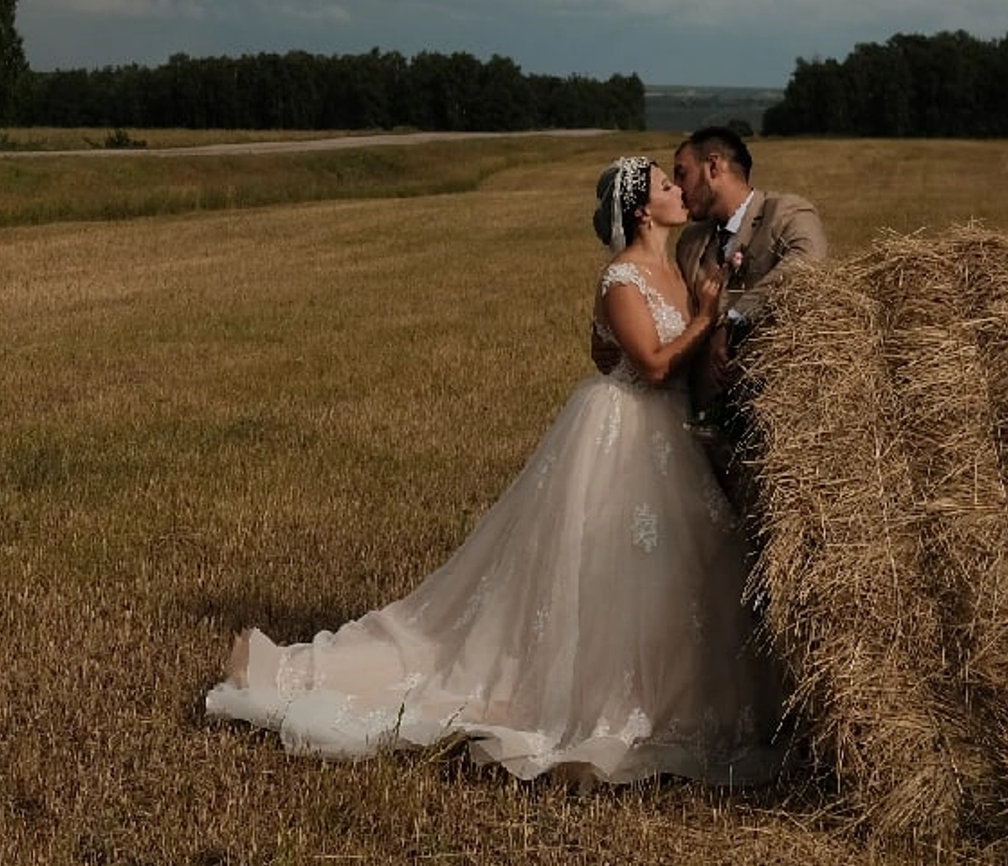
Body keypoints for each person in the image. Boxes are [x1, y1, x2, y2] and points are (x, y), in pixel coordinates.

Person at [205, 157, 783, 785]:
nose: (681, 191)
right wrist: (702, 318)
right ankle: (597, 702)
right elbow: (649, 365)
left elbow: (618, 351)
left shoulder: (673, 267)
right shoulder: (621, 279)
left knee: (685, 563)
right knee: (616, 573)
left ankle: (681, 699)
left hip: (669, 434)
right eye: (669, 186)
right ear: (643, 209)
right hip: (622, 433)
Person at [669, 126, 827, 500]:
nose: (677, 188)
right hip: (704, 428)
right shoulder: (690, 242)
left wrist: (734, 319)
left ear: (713, 166)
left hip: (778, 418)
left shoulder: (786, 212)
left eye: (682, 172)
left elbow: (808, 263)